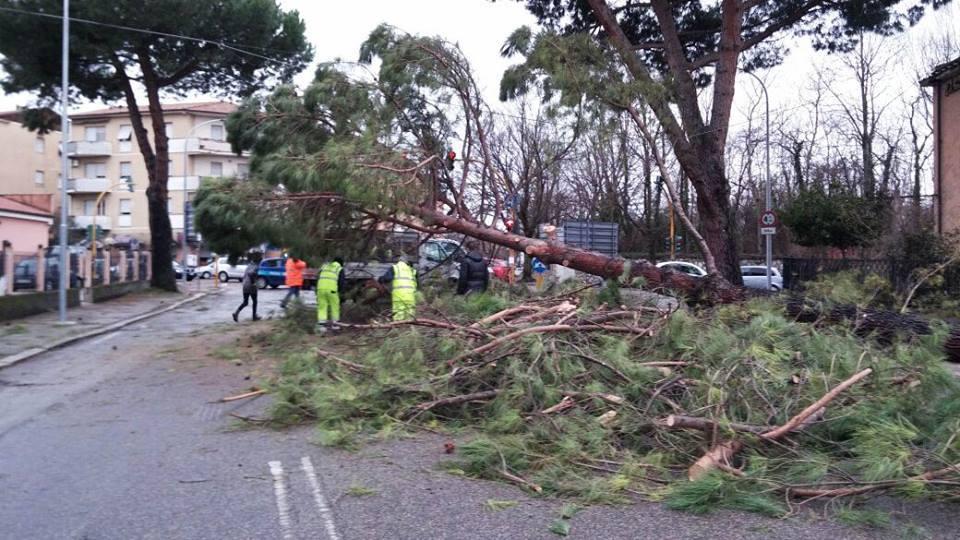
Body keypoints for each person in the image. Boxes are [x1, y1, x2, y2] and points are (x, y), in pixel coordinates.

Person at [379, 253, 417, 321]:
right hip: (410, 297)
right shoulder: (412, 270)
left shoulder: (395, 268)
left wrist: (380, 279)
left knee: (399, 316)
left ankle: (399, 328)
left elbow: (387, 278)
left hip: (399, 297)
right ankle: (410, 329)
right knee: (410, 316)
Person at [315, 257, 346, 334]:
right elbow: (341, 282)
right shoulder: (339, 268)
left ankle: (322, 329)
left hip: (320, 289)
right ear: (341, 263)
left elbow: (318, 277)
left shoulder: (325, 266)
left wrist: (317, 289)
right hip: (332, 290)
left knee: (322, 307)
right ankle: (335, 328)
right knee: (334, 307)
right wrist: (340, 292)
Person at [233, 253, 262, 322]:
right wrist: (254, 283)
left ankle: (236, 313)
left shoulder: (249, 265)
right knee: (255, 301)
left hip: (245, 285)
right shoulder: (256, 266)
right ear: (258, 261)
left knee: (245, 302)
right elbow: (251, 274)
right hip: (251, 286)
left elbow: (246, 275)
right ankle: (254, 317)